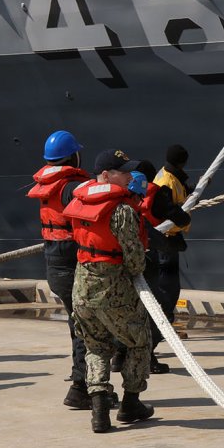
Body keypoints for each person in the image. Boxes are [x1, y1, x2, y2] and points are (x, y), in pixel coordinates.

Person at [65, 149, 156, 432]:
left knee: (95, 345)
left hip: (81, 289)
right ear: (106, 175)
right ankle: (130, 403)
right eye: (123, 172)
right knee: (139, 340)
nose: (129, 176)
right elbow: (134, 258)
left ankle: (99, 409)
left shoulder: (79, 201)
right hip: (113, 289)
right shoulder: (122, 210)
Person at [27, 130, 94, 409]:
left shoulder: (49, 187)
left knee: (78, 322)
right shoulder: (72, 187)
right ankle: (81, 387)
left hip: (54, 261)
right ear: (72, 156)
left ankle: (84, 382)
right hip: (75, 259)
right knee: (87, 325)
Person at [152, 146, 194, 359]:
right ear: (182, 162)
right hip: (164, 239)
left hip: (168, 237)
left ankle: (163, 326)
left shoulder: (168, 176)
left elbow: (177, 199)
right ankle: (161, 330)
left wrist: (194, 190)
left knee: (166, 286)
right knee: (167, 288)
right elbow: (166, 209)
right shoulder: (167, 182)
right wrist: (183, 218)